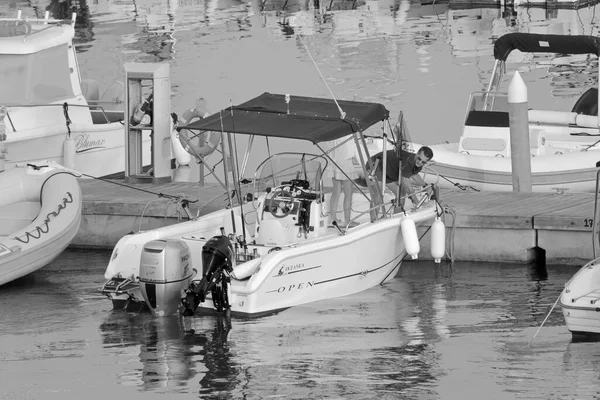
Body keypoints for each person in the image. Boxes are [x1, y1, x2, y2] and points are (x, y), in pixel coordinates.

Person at [362, 145, 434, 212]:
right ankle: (374, 222)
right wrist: (417, 203)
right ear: (417, 153)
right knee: (379, 194)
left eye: (423, 162)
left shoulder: (418, 164)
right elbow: (408, 187)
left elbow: (414, 174)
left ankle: (396, 216)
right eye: (419, 159)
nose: (420, 162)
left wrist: (425, 186)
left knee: (401, 195)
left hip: (388, 171)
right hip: (376, 165)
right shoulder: (408, 161)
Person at [327, 136, 359, 227]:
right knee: (348, 192)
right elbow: (351, 150)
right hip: (345, 162)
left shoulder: (332, 132)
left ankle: (333, 219)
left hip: (333, 162)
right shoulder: (348, 133)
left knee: (336, 191)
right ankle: (347, 221)